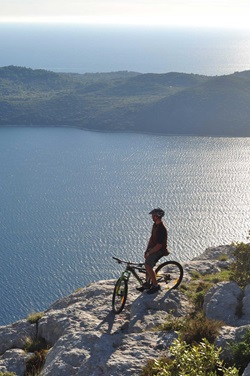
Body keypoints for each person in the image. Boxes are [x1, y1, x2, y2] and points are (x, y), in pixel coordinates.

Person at [137, 208, 169, 294]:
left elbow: (159, 245)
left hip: (160, 250)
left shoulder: (161, 229)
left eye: (153, 215)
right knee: (148, 264)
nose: (152, 217)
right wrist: (146, 251)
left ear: (157, 216)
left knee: (148, 265)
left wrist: (149, 253)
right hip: (153, 248)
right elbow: (151, 239)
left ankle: (155, 285)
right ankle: (147, 284)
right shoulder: (155, 225)